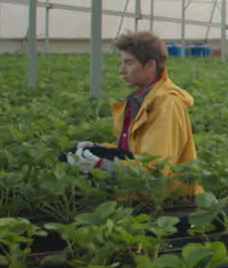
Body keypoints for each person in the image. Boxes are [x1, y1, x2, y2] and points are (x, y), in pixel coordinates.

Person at [64, 31, 203, 197]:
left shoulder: (167, 103)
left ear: (150, 65)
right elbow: (135, 151)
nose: (121, 70)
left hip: (167, 200)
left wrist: (103, 165)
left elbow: (155, 169)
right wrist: (101, 149)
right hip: (141, 196)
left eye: (128, 63)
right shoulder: (142, 99)